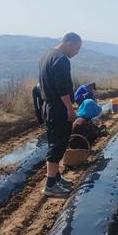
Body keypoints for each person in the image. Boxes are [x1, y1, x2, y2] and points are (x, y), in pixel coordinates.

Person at [38, 32, 82, 197]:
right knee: (57, 145)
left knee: (55, 142)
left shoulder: (48, 55)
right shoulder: (62, 59)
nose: (77, 52)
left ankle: (56, 177)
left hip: (49, 107)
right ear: (69, 43)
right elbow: (62, 88)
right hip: (58, 108)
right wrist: (70, 110)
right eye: (77, 48)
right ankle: (50, 185)